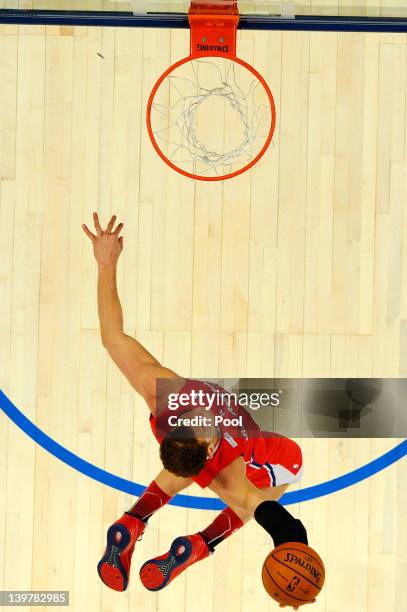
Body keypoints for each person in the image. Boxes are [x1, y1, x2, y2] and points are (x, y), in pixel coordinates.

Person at [82, 213, 315, 610]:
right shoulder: (226, 469)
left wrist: (106, 265)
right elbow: (275, 518)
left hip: (218, 457)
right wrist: (295, 551)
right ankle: (198, 544)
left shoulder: (163, 398)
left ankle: (135, 520)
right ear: (208, 449)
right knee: (245, 502)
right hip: (278, 461)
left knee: (201, 478)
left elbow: (112, 337)